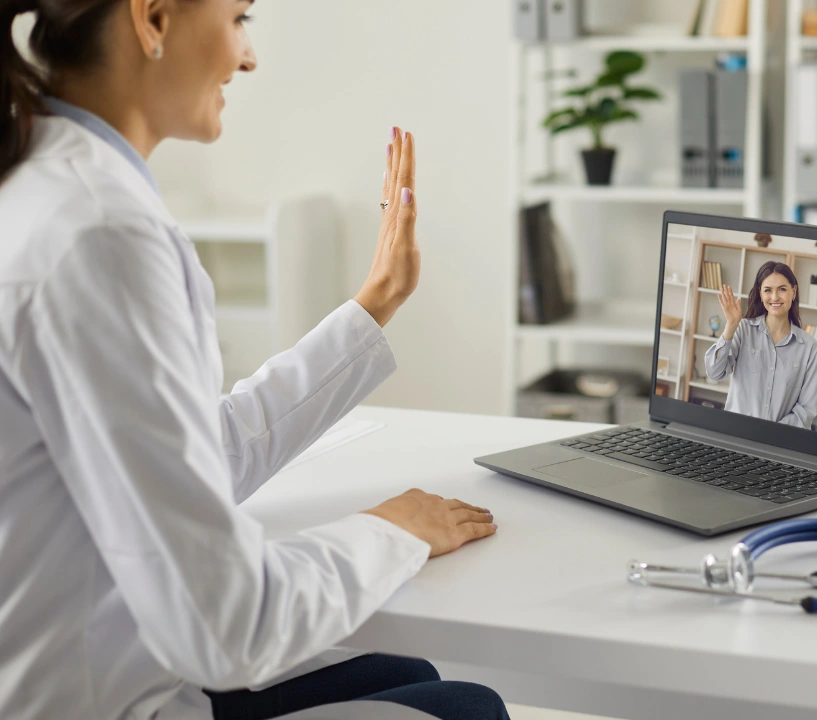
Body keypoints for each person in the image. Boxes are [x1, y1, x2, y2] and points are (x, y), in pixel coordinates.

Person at [0, 1, 507, 719]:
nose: (248, 56)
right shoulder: (100, 233)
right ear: (152, 19)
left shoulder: (48, 181)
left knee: (413, 672)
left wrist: (376, 303)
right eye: (239, 17)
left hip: (104, 674)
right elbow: (225, 624)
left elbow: (192, 453)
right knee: (466, 711)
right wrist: (393, 530)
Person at [704, 261, 817, 428]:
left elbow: (806, 410)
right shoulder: (743, 329)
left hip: (778, 443)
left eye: (782, 289)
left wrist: (772, 433)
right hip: (735, 436)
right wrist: (730, 326)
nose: (774, 297)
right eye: (768, 290)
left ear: (793, 292)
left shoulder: (810, 348)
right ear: (760, 293)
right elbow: (715, 373)